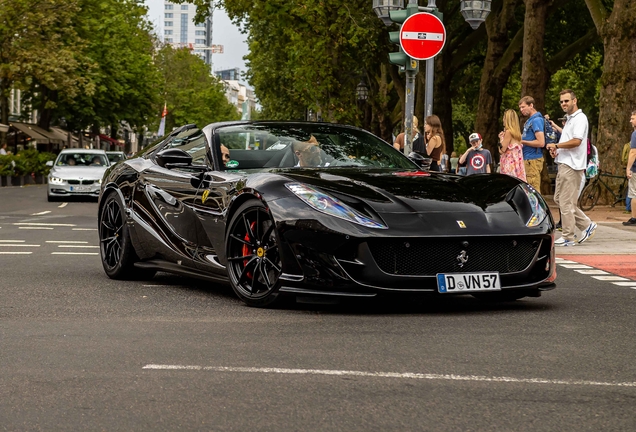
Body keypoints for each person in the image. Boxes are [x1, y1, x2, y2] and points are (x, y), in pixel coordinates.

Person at [546, 89, 597, 246]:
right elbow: (569, 141)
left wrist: (556, 144)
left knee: (566, 202)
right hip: (564, 162)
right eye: (561, 101)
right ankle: (587, 225)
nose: (563, 104)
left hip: (573, 165)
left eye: (566, 101)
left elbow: (577, 141)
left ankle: (568, 237)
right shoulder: (569, 119)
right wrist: (558, 151)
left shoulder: (580, 118)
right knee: (560, 199)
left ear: (575, 101)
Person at [518, 96, 545, 191]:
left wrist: (522, 141)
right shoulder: (529, 120)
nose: (521, 110)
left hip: (532, 160)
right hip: (528, 159)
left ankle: (536, 206)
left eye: (523, 107)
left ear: (531, 105)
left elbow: (541, 142)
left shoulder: (536, 120)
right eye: (520, 108)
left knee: (533, 189)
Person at [498, 109, 526, 181]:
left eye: (504, 117)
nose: (503, 120)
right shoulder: (517, 134)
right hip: (517, 164)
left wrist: (501, 139)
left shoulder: (508, 132)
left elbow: (502, 150)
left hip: (509, 164)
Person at [623, 110, 636, 226]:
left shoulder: (635, 134)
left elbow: (633, 152)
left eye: (633, 118)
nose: (630, 121)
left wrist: (628, 168)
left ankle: (634, 218)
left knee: (634, 193)